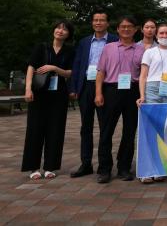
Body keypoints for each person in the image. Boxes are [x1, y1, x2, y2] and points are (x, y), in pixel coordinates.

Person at [22, 20, 75, 180]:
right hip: (39, 93)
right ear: (54, 30)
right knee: (35, 129)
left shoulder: (70, 50)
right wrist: (28, 88)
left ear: (68, 34)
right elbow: (31, 67)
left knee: (56, 129)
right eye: (58, 28)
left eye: (64, 29)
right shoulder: (41, 47)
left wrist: (54, 68)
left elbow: (70, 73)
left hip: (59, 94)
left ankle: (50, 166)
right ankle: (33, 167)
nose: (60, 31)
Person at [95, 16, 144, 183]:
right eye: (123, 26)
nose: (126, 29)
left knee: (129, 132)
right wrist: (98, 93)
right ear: (117, 29)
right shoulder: (108, 48)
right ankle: (104, 169)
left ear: (135, 29)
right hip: (111, 90)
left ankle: (124, 167)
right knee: (106, 130)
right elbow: (100, 71)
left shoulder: (141, 49)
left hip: (133, 91)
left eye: (130, 26)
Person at [69, 10, 118, 178]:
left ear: (107, 23)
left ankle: (105, 166)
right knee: (86, 127)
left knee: (105, 127)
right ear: (92, 23)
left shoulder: (114, 40)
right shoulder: (84, 42)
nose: (98, 23)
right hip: (85, 87)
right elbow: (77, 65)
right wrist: (74, 88)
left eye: (102, 20)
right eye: (95, 20)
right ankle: (86, 163)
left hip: (106, 86)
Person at [136, 23, 167, 183]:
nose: (164, 35)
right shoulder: (149, 52)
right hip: (152, 89)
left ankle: (160, 168)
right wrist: (142, 95)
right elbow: (143, 75)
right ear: (156, 35)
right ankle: (146, 170)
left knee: (163, 128)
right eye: (161, 33)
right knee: (149, 130)